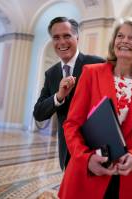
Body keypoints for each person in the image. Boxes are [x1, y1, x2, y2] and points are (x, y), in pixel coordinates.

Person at [58, 17, 132, 199]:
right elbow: (71, 124)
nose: (125, 41)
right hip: (87, 173)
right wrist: (86, 159)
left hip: (126, 179)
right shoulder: (91, 73)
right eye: (120, 36)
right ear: (114, 43)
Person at [33, 17, 104, 171]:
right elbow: (38, 113)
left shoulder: (97, 64)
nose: (62, 42)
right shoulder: (51, 74)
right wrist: (59, 96)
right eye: (56, 37)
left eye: (67, 36)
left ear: (77, 37)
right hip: (67, 151)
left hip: (95, 148)